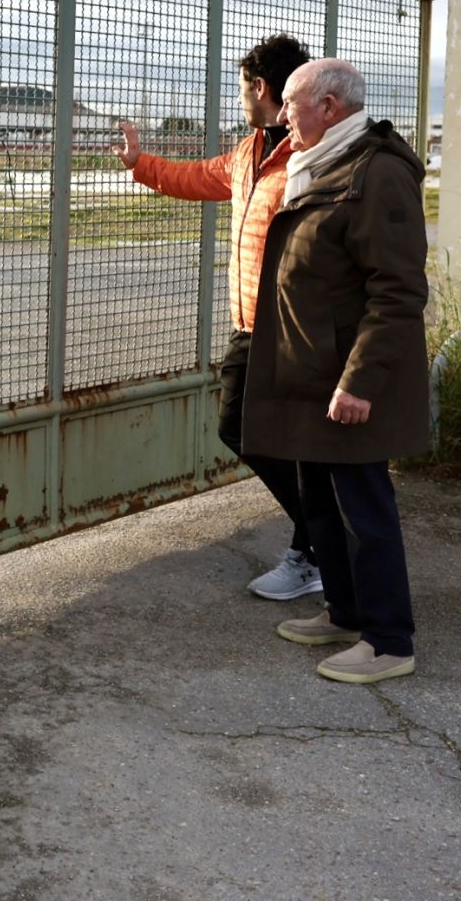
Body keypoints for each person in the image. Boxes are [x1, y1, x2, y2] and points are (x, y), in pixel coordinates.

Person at [243, 57, 429, 685]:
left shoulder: (377, 172)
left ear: (328, 106)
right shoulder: (320, 164)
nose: (283, 115)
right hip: (308, 375)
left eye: (292, 104)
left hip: (346, 379)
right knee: (321, 505)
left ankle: (388, 640)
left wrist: (360, 381)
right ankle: (345, 612)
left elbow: (398, 290)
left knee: (363, 514)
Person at [117, 33, 322, 601]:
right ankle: (319, 544)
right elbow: (198, 177)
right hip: (251, 322)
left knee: (255, 431)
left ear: (260, 87)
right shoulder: (248, 152)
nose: (239, 99)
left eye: (240, 88)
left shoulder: (309, 153)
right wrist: (142, 165)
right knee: (255, 433)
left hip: (293, 328)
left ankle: (318, 546)